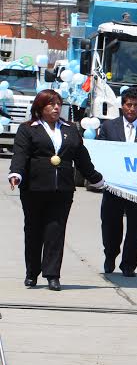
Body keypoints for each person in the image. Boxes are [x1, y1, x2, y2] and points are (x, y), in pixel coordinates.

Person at [8, 89, 104, 291]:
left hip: (62, 190)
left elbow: (81, 157)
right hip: (34, 189)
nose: (56, 107)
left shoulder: (70, 128)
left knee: (55, 231)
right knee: (33, 231)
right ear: (40, 107)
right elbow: (20, 154)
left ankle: (52, 275)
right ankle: (32, 273)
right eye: (51, 104)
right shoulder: (28, 129)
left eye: (58, 104)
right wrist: (16, 173)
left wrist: (96, 179)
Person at [98, 87, 137, 277]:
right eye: (128, 104)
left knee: (136, 228)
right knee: (110, 225)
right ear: (122, 106)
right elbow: (101, 154)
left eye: (136, 105)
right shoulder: (109, 127)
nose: (131, 109)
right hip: (114, 186)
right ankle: (110, 255)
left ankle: (129, 264)